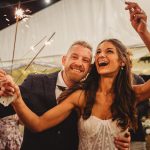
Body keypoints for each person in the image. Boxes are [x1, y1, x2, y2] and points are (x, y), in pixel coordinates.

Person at [1, 2, 150, 150]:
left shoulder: (130, 93)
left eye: (108, 51)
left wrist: (143, 32)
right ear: (64, 60)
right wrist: (17, 97)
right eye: (98, 52)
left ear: (122, 61)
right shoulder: (81, 95)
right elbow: (38, 124)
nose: (101, 55)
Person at [0, 41, 129, 150]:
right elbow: (4, 108)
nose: (79, 63)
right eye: (74, 57)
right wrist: (5, 92)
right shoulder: (35, 82)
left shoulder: (89, 95)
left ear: (89, 68)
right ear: (64, 60)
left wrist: (118, 138)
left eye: (85, 60)